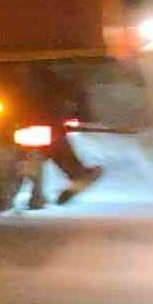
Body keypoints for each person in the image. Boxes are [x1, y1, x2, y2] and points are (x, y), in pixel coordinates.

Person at [21, 64, 103, 209]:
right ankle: (78, 177)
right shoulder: (58, 79)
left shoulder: (37, 79)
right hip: (46, 119)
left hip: (29, 119)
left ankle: (37, 192)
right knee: (52, 148)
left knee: (43, 149)